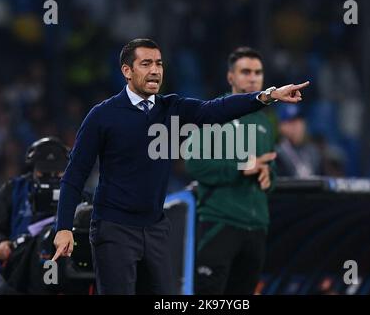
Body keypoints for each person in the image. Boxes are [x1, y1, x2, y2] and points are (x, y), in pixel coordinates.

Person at [52, 38, 310, 295]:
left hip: (156, 228)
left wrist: (268, 96)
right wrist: (63, 227)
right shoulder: (102, 115)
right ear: (127, 71)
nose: (155, 70)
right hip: (114, 228)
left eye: (159, 64)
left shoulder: (171, 108)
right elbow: (75, 174)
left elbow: (214, 110)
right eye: (146, 63)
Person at [185, 47, 277, 295]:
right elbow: (193, 161)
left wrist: (268, 177)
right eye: (245, 71)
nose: (253, 77)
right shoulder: (217, 113)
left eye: (258, 72)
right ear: (230, 78)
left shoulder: (265, 123)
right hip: (220, 223)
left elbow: (271, 170)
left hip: (256, 227)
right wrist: (239, 167)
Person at [0, 137, 69, 294]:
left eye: (57, 172)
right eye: (44, 172)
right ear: (33, 168)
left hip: (64, 266)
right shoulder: (13, 189)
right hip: (17, 265)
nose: (50, 176)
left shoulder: (75, 193)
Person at [275, 104, 321, 178]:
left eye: (299, 121)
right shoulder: (277, 154)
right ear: (281, 127)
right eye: (291, 122)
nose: (297, 126)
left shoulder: (313, 151)